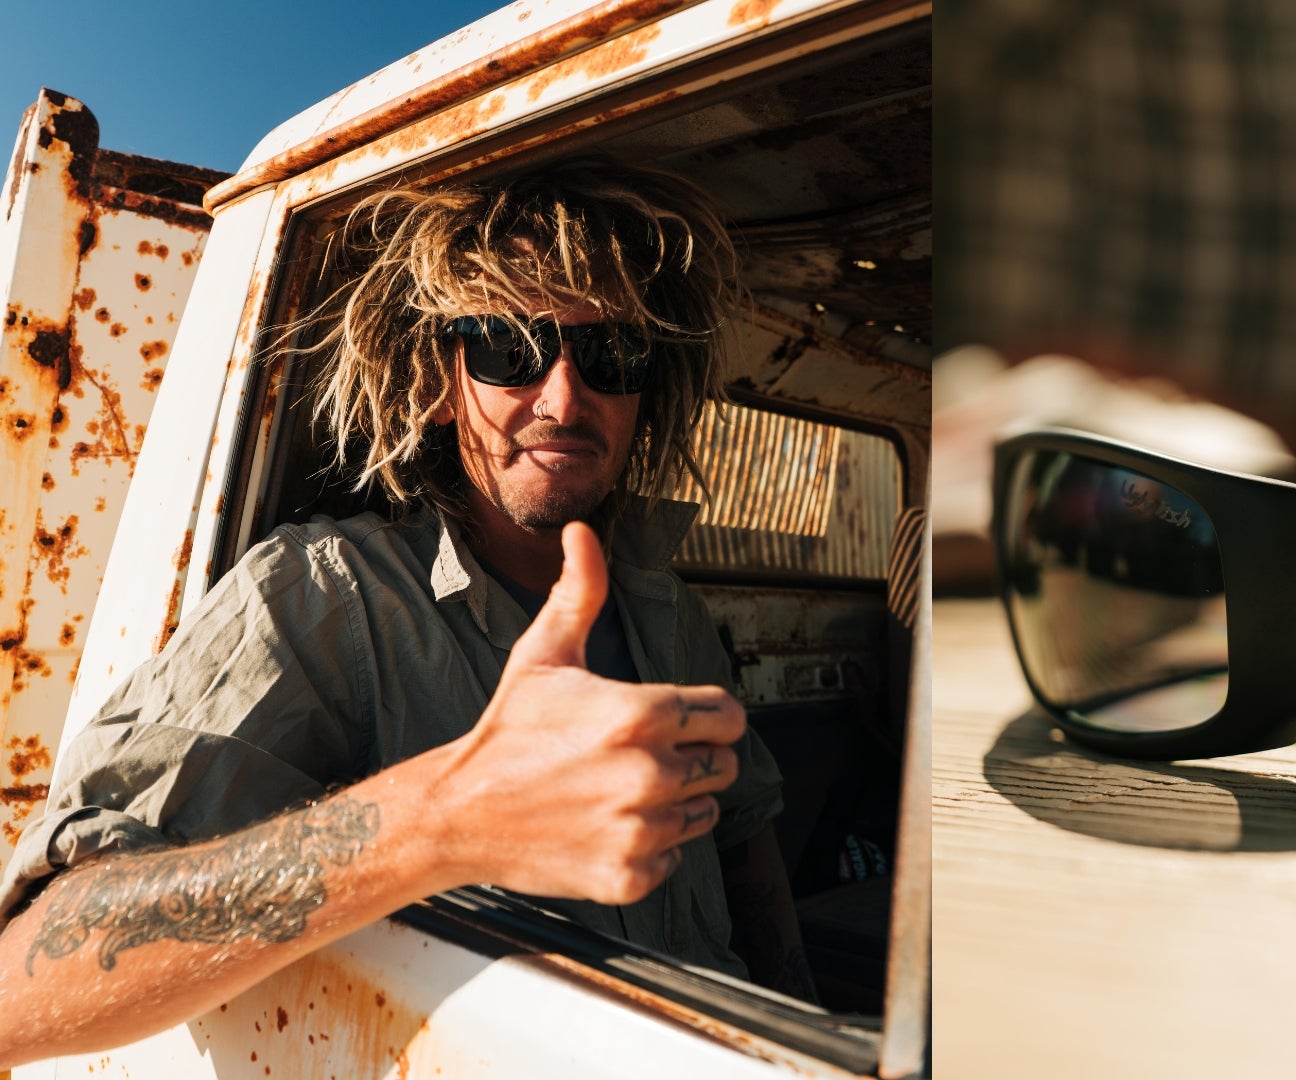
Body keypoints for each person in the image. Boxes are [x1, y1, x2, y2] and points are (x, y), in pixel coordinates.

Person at [0, 160, 813, 1067]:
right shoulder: (323, 598)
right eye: (508, 347)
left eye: (612, 355)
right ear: (436, 382)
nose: (564, 396)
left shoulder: (672, 614)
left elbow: (748, 850)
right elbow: (27, 978)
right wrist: (441, 817)